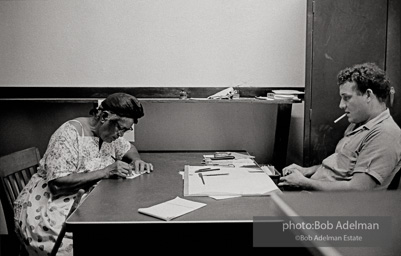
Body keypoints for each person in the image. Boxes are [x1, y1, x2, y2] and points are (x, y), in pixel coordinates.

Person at [13, 92, 153, 255]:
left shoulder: (108, 136)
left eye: (125, 131)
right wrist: (106, 171)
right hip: (52, 206)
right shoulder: (69, 133)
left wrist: (136, 160)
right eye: (120, 129)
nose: (120, 135)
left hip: (87, 200)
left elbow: (129, 148)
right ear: (105, 116)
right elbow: (57, 185)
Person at [279, 62, 401, 191]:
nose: (341, 105)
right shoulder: (358, 123)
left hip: (334, 206)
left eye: (347, 98)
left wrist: (304, 182)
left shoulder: (385, 134)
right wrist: (306, 171)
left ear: (368, 95)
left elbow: (358, 189)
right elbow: (339, 168)